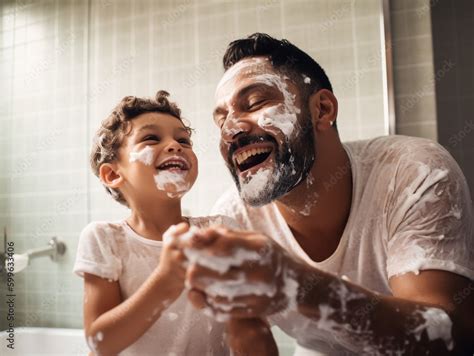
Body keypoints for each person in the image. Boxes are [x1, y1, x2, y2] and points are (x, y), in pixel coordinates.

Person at [175, 33, 474, 355]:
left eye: (255, 103)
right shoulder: (233, 221)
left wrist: (299, 285)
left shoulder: (412, 171)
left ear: (322, 109)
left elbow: (450, 337)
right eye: (221, 121)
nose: (231, 131)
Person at [73, 91, 236, 355]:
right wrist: (166, 279)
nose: (175, 145)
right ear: (113, 174)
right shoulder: (105, 239)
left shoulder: (220, 231)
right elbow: (100, 342)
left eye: (184, 139)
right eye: (151, 138)